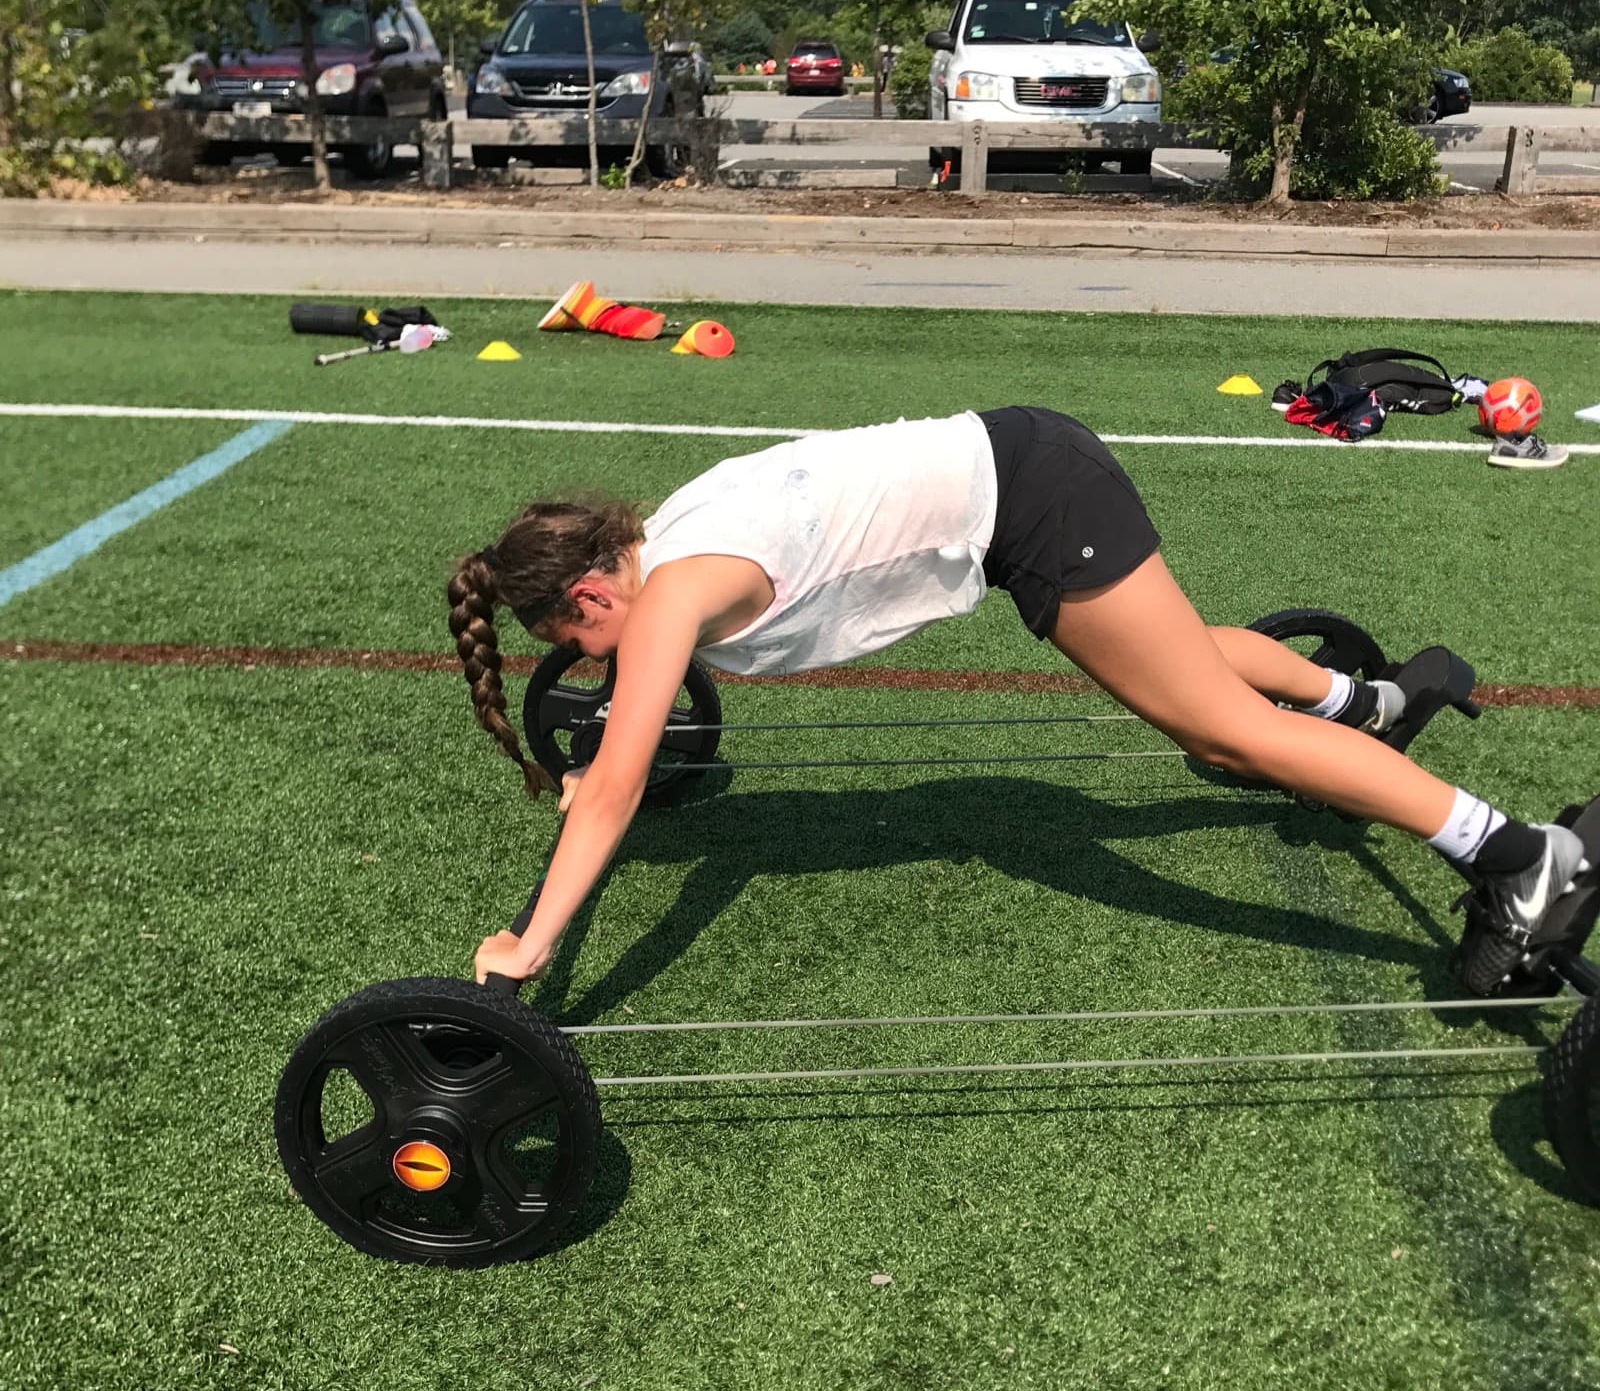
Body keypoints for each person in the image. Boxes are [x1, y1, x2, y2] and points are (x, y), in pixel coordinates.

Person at [446, 405, 1586, 998]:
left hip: (1032, 500)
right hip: (1019, 466)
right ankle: (1370, 699)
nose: (591, 664)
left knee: (1222, 735)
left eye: (574, 642)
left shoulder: (670, 595)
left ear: (595, 588)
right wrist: (600, 766)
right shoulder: (664, 531)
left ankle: (1516, 857)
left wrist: (533, 939)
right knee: (1181, 659)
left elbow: (622, 780)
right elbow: (622, 746)